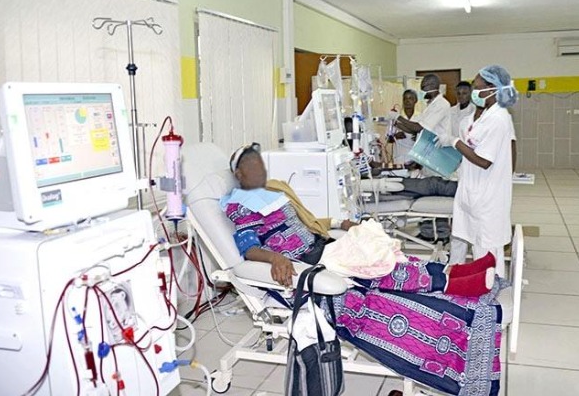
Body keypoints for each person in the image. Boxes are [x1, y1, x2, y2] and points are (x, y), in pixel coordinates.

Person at [221, 143, 504, 395]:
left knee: (384, 257)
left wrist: (339, 223)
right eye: (251, 166)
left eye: (259, 163)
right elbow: (249, 248)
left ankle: (460, 274)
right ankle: (460, 283)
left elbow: (308, 222)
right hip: (300, 269)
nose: (258, 169)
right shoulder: (241, 205)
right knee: (378, 276)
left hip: (319, 250)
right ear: (239, 174)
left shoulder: (273, 193)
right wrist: (275, 259)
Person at [447, 65, 518, 277]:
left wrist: (455, 142)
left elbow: (484, 161)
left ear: (493, 88)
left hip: (488, 194)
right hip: (474, 190)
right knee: (478, 243)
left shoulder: (499, 118)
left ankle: (492, 286)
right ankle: (480, 284)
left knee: (488, 248)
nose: (474, 92)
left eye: (478, 88)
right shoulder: (486, 115)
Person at [393, 74, 453, 241]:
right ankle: (427, 231)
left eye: (424, 87)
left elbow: (419, 127)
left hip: (438, 156)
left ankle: (442, 233)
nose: (422, 90)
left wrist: (397, 118)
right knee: (426, 195)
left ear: (433, 86)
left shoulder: (441, 104)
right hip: (428, 155)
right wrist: (396, 122)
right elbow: (415, 129)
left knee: (438, 196)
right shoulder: (430, 105)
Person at [389, 89, 419, 165]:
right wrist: (395, 136)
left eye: (410, 98)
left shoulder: (420, 117)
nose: (407, 101)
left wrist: (418, 137)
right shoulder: (395, 117)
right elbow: (388, 139)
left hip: (415, 159)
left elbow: (425, 137)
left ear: (415, 100)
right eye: (405, 98)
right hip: (400, 158)